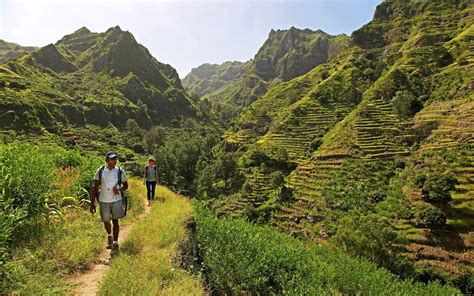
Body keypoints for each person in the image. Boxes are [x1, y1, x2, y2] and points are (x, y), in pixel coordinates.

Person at [90, 151, 129, 255]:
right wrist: (92, 202)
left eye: (115, 159)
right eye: (112, 159)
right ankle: (109, 236)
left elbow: (126, 185)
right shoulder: (101, 171)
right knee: (106, 221)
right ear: (107, 160)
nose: (114, 161)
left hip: (116, 200)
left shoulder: (120, 171)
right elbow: (95, 187)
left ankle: (115, 243)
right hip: (103, 200)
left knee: (115, 221)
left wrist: (119, 190)